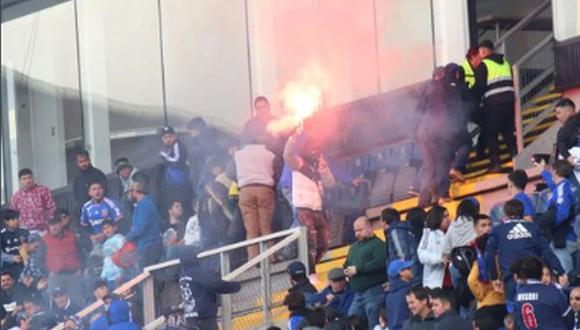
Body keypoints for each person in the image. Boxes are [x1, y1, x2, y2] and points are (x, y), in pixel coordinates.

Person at [484, 199, 567, 308]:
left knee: (516, 314)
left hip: (512, 279)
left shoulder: (498, 231)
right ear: (522, 212)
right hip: (535, 277)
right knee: (537, 309)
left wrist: (494, 277)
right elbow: (547, 251)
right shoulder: (533, 228)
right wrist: (560, 271)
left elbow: (489, 255)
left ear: (505, 213)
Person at [416, 64, 471, 206]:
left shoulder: (428, 88)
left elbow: (419, 109)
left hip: (424, 130)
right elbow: (463, 102)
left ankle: (424, 198)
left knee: (429, 165)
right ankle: (444, 193)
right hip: (441, 129)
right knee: (445, 159)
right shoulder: (451, 86)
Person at [284, 130, 331, 274]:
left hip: (317, 210)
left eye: (318, 150)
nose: (316, 152)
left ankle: (312, 266)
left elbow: (330, 184)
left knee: (324, 242)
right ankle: (310, 273)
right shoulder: (299, 164)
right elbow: (287, 155)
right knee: (311, 240)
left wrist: (324, 170)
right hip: (304, 209)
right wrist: (293, 136)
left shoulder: (317, 169)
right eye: (313, 149)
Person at [234, 136, 278, 260]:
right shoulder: (269, 154)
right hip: (265, 189)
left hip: (245, 191)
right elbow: (276, 172)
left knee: (251, 228)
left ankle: (254, 259)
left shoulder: (238, 154)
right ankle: (271, 257)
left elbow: (231, 172)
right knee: (266, 226)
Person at [178, 245, 241, 330]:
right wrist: (236, 286)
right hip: (204, 318)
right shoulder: (196, 272)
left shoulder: (183, 275)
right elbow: (215, 284)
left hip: (190, 318)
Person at [478, 40, 516, 172]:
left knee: (491, 134)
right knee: (508, 133)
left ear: (483, 51)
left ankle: (495, 164)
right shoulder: (505, 62)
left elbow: (480, 87)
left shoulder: (484, 65)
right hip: (509, 102)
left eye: (480, 52)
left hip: (494, 104)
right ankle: (515, 157)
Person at [344, 216, 387, 329]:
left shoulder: (378, 244)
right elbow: (346, 263)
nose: (357, 233)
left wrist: (358, 269)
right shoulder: (353, 248)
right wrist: (346, 271)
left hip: (374, 290)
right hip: (358, 293)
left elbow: (380, 262)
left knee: (373, 319)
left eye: (360, 230)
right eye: (355, 231)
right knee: (352, 319)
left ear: (370, 228)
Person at [536, 159, 577, 273]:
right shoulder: (566, 185)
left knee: (563, 271)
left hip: (565, 237)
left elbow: (563, 214)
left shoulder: (562, 188)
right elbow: (554, 186)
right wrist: (543, 171)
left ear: (554, 171)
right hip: (568, 235)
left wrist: (550, 226)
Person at [512, 256, 572, 330]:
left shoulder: (518, 295)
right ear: (540, 272)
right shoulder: (552, 292)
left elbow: (517, 322)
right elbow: (569, 317)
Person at [468, 215, 506, 330]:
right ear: (475, 228)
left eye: (490, 225)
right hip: (501, 301)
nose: (488, 228)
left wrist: (481, 296)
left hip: (487, 304)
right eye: (483, 225)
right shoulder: (498, 249)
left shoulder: (481, 255)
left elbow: (471, 280)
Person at [40, 216, 83, 307]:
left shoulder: (72, 236)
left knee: (76, 300)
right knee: (55, 303)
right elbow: (39, 260)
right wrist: (48, 272)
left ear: (61, 224)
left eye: (56, 224)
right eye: (51, 225)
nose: (54, 227)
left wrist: (81, 268)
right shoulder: (44, 240)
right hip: (55, 277)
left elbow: (81, 253)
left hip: (73, 275)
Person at [126, 181, 163, 271]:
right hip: (151, 245)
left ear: (135, 191)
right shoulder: (148, 203)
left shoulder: (143, 205)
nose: (128, 196)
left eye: (129, 192)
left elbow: (139, 228)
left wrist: (127, 237)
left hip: (148, 247)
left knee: (148, 278)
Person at [186, 117, 226, 198]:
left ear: (197, 130)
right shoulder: (211, 141)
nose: (191, 133)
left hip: (206, 182)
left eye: (192, 130)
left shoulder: (201, 144)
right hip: (207, 181)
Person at [81, 181, 123, 255]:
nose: (97, 191)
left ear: (103, 190)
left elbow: (120, 222)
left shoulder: (110, 203)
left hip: (112, 239)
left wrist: (105, 234)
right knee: (96, 262)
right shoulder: (86, 207)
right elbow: (85, 227)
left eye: (99, 188)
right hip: (97, 241)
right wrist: (91, 236)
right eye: (94, 189)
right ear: (89, 193)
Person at [159, 125, 193, 218]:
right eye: (165, 137)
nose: (168, 139)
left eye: (170, 136)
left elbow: (178, 160)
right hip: (175, 187)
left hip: (183, 185)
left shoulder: (178, 145)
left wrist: (165, 156)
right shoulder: (169, 149)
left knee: (185, 209)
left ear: (175, 136)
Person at [417, 206, 451, 289]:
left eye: (448, 216)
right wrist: (439, 258)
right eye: (445, 216)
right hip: (437, 283)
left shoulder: (451, 233)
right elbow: (422, 255)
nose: (448, 219)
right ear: (437, 218)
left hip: (452, 280)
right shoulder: (428, 234)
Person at [382, 208, 418, 279]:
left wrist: (403, 273)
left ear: (384, 222)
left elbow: (403, 253)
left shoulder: (395, 231)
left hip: (405, 276)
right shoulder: (401, 228)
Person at [73, 150, 107, 214]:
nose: (83, 164)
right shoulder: (77, 178)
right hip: (83, 212)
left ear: (89, 160)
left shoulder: (98, 174)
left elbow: (105, 192)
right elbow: (76, 197)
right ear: (77, 163)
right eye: (81, 162)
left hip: (99, 210)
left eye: (85, 160)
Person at [386, 259, 413, 330]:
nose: (411, 269)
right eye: (408, 268)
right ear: (401, 272)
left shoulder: (389, 294)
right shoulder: (407, 291)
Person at [1, 209, 28, 277]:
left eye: (17, 219)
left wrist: (26, 249)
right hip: (8, 268)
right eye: (13, 220)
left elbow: (32, 246)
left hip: (24, 266)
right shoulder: (2, 234)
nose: (16, 221)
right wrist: (12, 258)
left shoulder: (24, 231)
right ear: (6, 221)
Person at [100, 220, 126, 290]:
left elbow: (123, 257)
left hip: (118, 276)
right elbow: (106, 260)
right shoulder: (105, 244)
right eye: (104, 228)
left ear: (114, 228)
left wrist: (120, 274)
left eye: (108, 227)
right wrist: (103, 275)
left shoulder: (120, 239)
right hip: (108, 278)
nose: (107, 230)